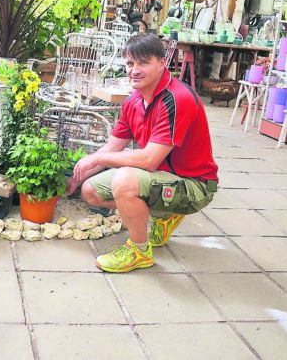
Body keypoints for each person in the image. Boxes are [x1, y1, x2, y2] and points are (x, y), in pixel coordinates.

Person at [66, 33, 218, 273]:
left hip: (193, 185)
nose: (134, 70)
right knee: (90, 190)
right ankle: (165, 215)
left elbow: (148, 159)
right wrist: (76, 177)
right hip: (160, 176)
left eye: (143, 62)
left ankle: (139, 251)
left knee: (125, 179)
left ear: (161, 63)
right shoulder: (134, 101)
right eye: (129, 63)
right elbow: (112, 147)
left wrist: (97, 158)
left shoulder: (177, 99)